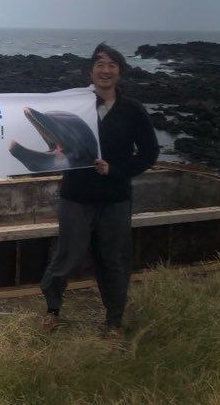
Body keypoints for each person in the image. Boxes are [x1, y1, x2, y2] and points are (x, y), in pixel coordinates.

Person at [40, 43, 159, 337]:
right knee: (66, 258)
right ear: (91, 71)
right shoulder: (75, 107)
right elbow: (53, 140)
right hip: (76, 197)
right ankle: (52, 310)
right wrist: (56, 151)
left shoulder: (132, 110)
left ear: (120, 72)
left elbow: (149, 153)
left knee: (114, 261)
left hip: (115, 199)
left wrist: (115, 170)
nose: (105, 71)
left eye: (112, 65)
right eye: (99, 65)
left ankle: (113, 321)